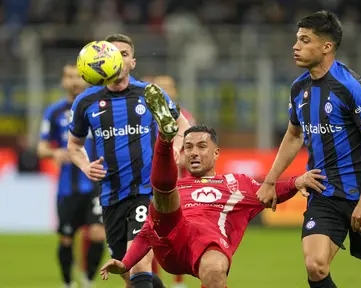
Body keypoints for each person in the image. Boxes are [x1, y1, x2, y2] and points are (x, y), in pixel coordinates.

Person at [99, 86, 326, 288]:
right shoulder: (177, 184)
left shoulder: (237, 183)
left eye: (201, 146)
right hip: (172, 244)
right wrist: (126, 262)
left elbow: (270, 192)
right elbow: (148, 231)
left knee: (215, 268)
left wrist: (297, 181)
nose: (194, 152)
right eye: (188, 147)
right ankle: (165, 138)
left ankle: (164, 137)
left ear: (216, 153)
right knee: (165, 194)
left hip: (209, 247)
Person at [255, 10, 361, 288]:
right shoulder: (298, 88)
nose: (295, 46)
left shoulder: (351, 87)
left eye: (304, 40)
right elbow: (293, 135)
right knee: (315, 266)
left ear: (326, 47)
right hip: (324, 192)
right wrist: (269, 180)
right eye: (296, 39)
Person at [67, 33, 190, 288]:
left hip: (146, 190)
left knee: (139, 263)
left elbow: (181, 124)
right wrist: (85, 165)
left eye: (123, 54)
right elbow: (74, 145)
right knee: (125, 268)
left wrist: (177, 147)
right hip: (111, 194)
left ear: (133, 62)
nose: (117, 59)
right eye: (111, 53)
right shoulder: (85, 102)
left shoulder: (149, 93)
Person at [37, 64, 105, 288]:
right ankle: (67, 282)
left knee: (97, 234)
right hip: (68, 186)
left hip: (98, 184)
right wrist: (55, 152)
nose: (74, 81)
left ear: (87, 79)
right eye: (69, 77)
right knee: (66, 239)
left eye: (78, 76)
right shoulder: (55, 112)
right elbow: (41, 148)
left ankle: (88, 279)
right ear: (63, 81)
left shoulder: (100, 106)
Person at [152, 75, 196, 288]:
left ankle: (179, 280)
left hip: (181, 183)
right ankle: (154, 278)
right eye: (161, 88)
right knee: (152, 233)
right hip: (155, 183)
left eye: (168, 87)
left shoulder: (185, 118)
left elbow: (193, 148)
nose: (165, 91)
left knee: (181, 232)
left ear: (175, 91)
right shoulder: (147, 118)